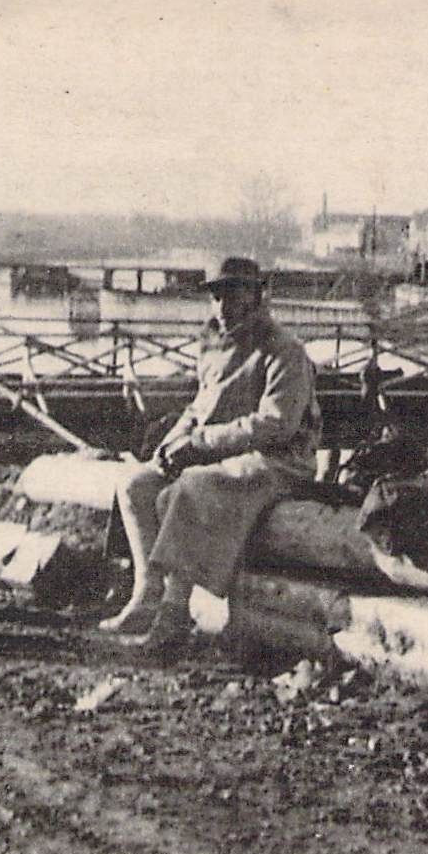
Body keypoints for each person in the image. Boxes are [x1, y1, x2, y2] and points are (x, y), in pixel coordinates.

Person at [99, 256, 322, 650]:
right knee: (137, 485)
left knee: (192, 486)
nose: (223, 305)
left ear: (256, 295)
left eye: (234, 293)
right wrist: (172, 443)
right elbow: (199, 408)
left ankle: (174, 614)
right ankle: (147, 594)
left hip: (279, 460)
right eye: (217, 295)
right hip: (224, 453)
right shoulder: (216, 346)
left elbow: (276, 424)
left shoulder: (284, 350)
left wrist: (199, 445)